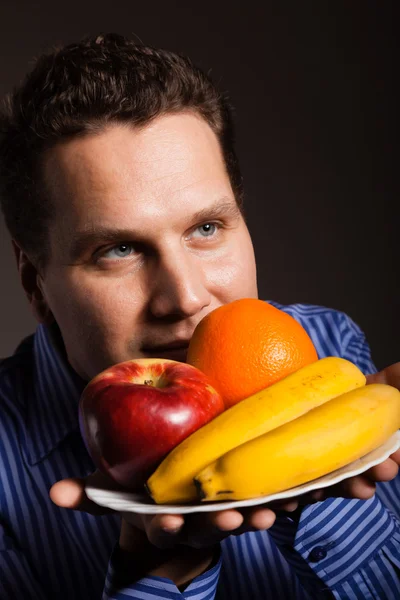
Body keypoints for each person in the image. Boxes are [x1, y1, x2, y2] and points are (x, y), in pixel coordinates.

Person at [0, 32, 399, 600]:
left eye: (206, 229)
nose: (185, 298)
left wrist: (324, 501)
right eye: (118, 250)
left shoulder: (328, 344)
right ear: (33, 283)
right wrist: (160, 570)